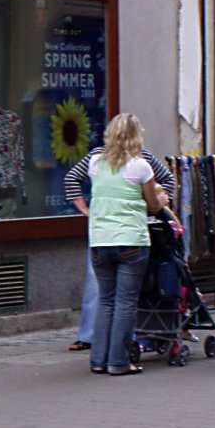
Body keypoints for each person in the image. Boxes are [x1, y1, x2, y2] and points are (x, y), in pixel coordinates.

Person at [64, 137, 174, 352]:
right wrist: (86, 210)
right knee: (119, 295)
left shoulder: (140, 156)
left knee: (108, 294)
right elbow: (71, 179)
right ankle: (110, 348)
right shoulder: (100, 157)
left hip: (108, 233)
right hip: (122, 233)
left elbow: (168, 181)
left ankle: (103, 349)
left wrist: (155, 202)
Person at [88, 113, 164, 376]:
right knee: (126, 302)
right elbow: (153, 206)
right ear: (136, 136)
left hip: (99, 240)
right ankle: (119, 362)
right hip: (130, 241)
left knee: (105, 300)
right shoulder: (141, 166)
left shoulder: (95, 162)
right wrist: (160, 202)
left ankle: (98, 359)